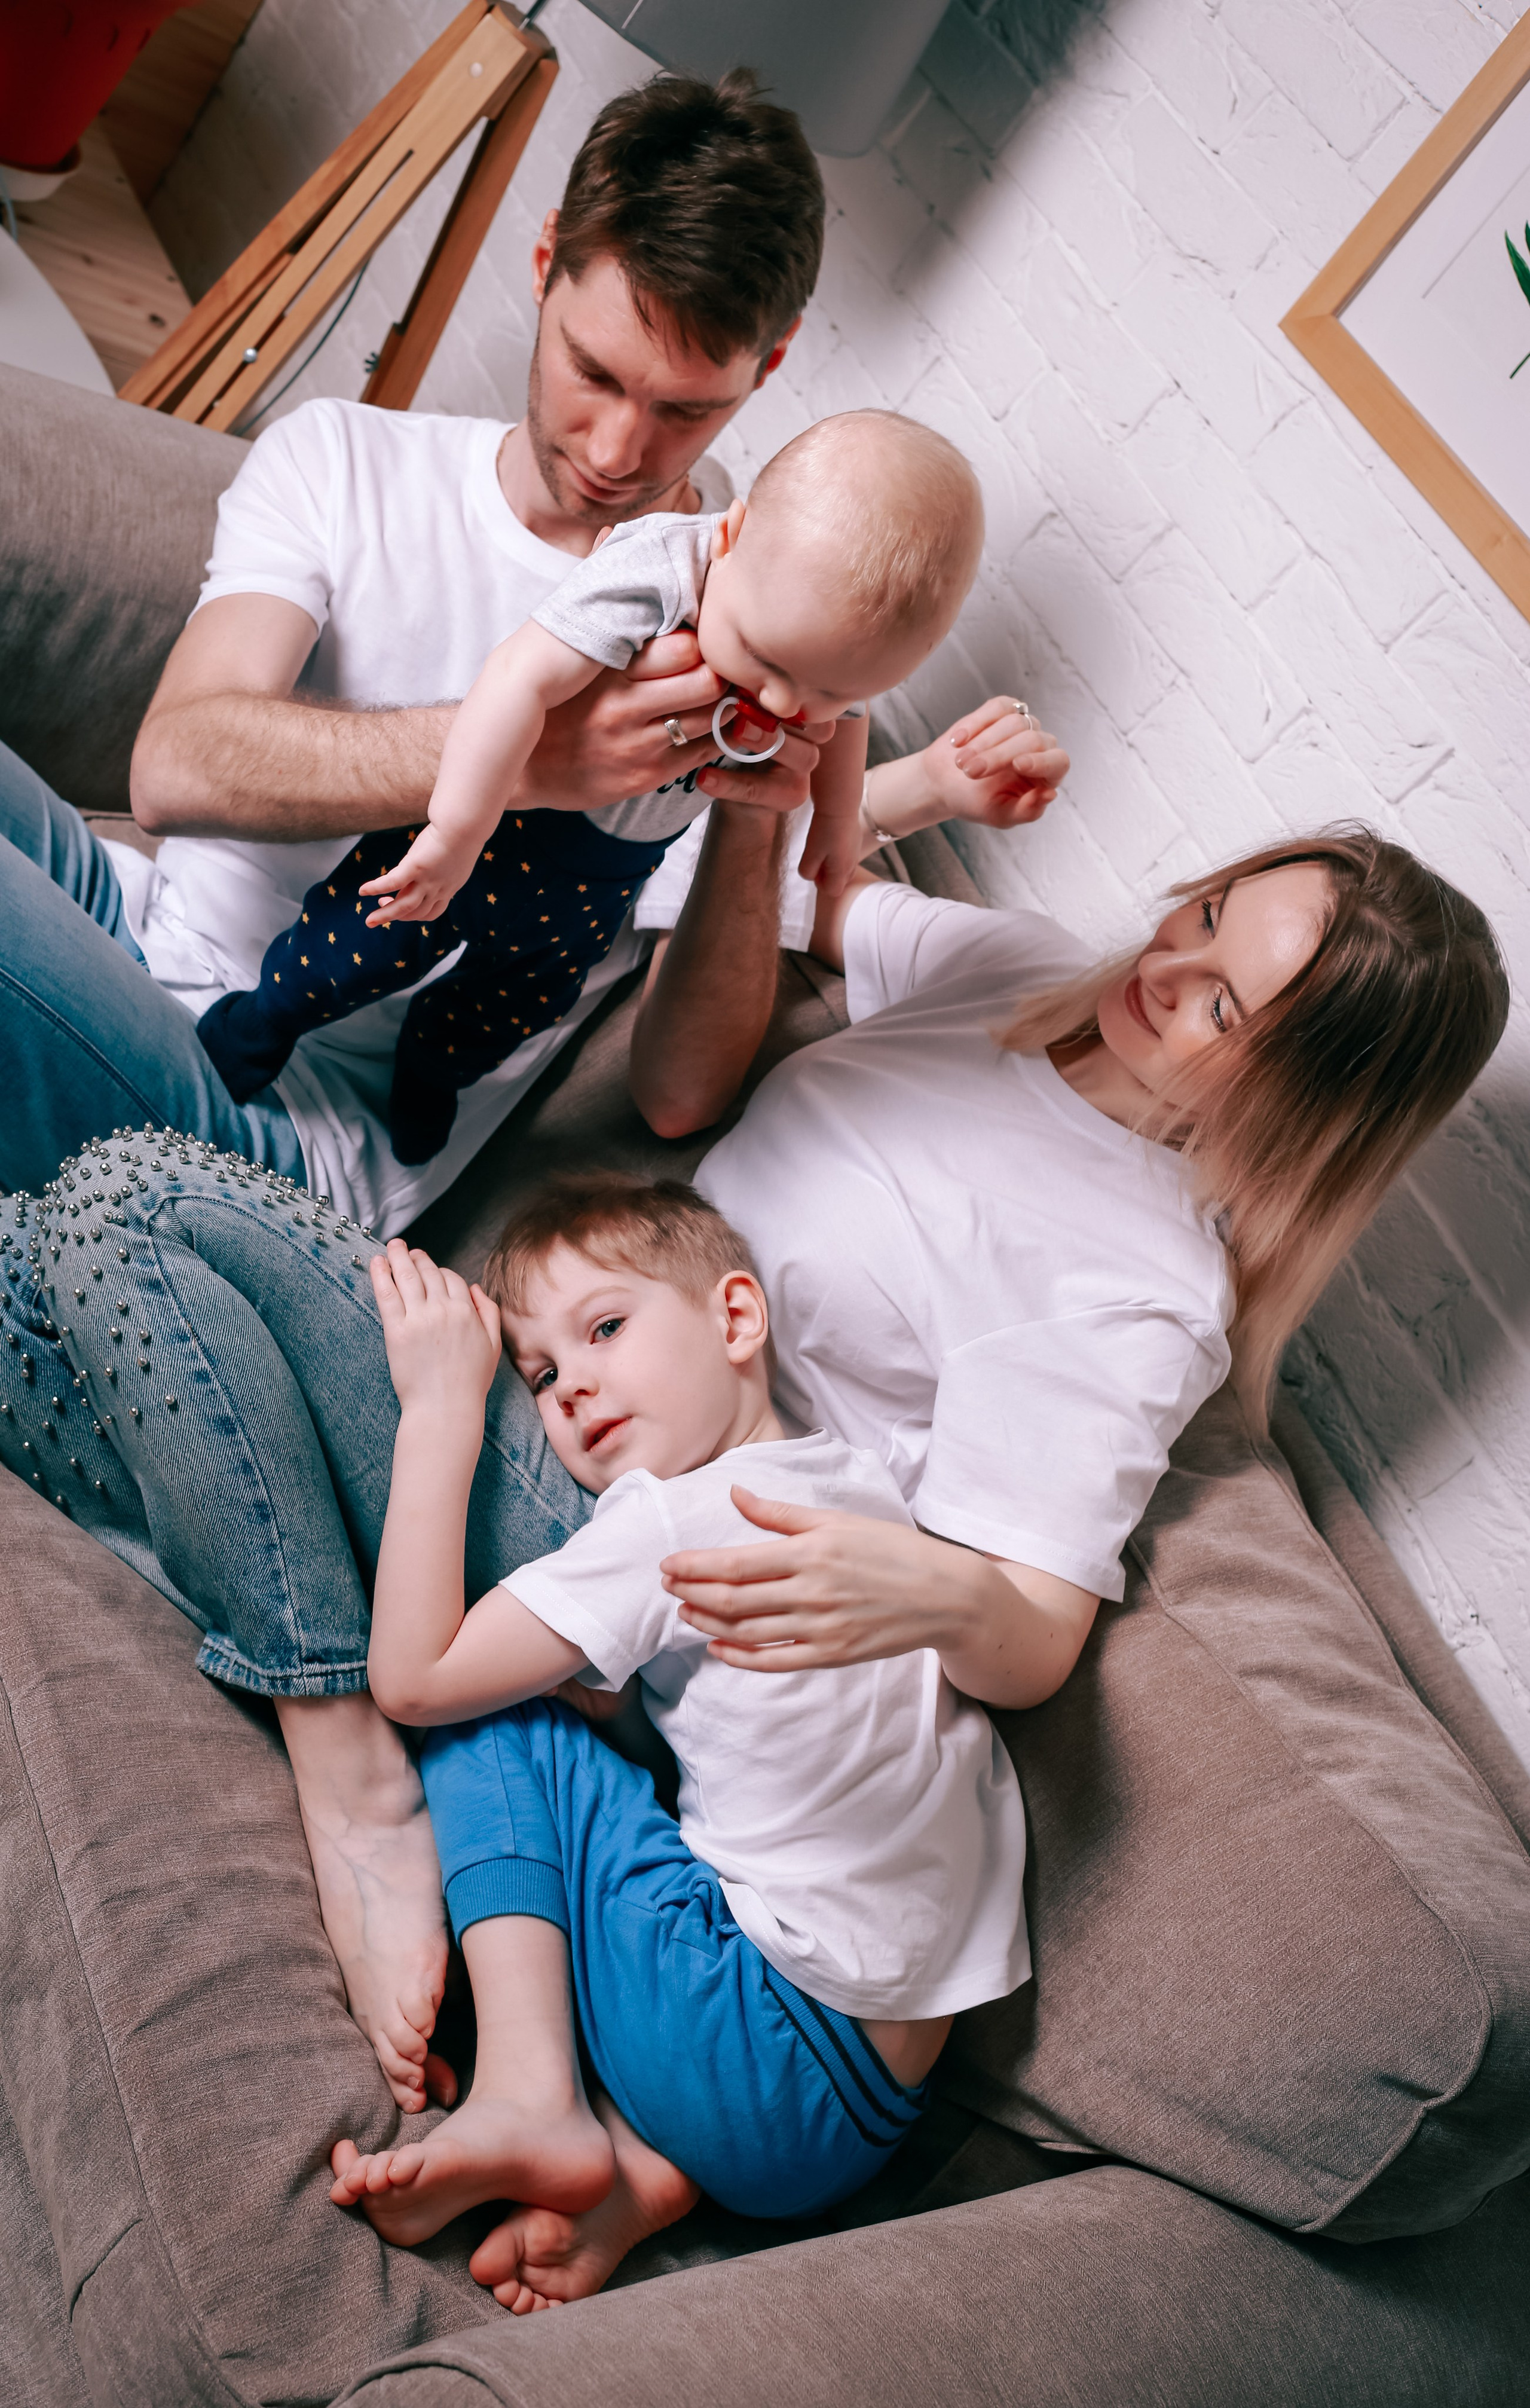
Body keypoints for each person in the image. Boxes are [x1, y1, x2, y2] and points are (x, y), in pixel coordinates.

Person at [0, 803, 1502, 2303]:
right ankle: (249, 1528)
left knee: (132, 1204)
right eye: (1202, 915)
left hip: (654, 1511)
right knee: (29, 1276)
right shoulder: (1031, 974)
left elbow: (1034, 1634)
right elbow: (819, 899)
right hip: (597, 1377)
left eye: (1223, 1005)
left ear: (1303, 1102)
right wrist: (812, 769)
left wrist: (920, 1583)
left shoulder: (1138, 1286)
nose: (1161, 972)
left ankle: (346, 1759)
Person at [0, 69, 833, 1226]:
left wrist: (757, 815)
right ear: (544, 264)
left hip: (277, 1139)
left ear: (769, 365)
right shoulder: (341, 460)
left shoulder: (739, 625)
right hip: (129, 924)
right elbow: (172, 770)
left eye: (686, 411)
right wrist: (532, 759)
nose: (617, 450)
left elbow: (684, 1093)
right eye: (594, 372)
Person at [325, 1174, 1028, 2303]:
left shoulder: (669, 1516)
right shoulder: (863, 1494)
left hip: (763, 2048)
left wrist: (443, 1408)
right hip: (870, 2120)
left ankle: (529, 2091)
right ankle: (647, 2176)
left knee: (494, 1716)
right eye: (539, 1376)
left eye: (604, 1328)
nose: (571, 1386)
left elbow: (414, 1679)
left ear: (737, 1318)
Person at [194, 412, 984, 1165]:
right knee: (354, 948)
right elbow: (518, 677)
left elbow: (850, 721)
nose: (782, 703)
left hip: (604, 882)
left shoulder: (825, 649)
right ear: (731, 537)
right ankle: (265, 1019)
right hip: (503, 822)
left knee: (512, 1007)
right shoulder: (659, 569)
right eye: (766, 660)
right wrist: (454, 832)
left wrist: (837, 821)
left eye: (824, 690)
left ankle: (432, 1069)